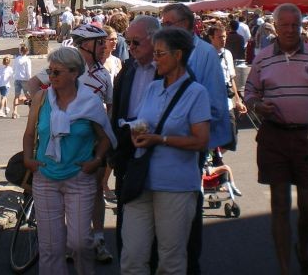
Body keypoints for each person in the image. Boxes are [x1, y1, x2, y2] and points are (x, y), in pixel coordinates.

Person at [245, 3, 308, 274]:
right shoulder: (262, 58)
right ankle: (285, 268)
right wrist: (259, 106)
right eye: (283, 25)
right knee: (280, 205)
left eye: (294, 25)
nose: (289, 30)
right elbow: (249, 94)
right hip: (275, 136)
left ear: (301, 26)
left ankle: (303, 246)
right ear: (275, 26)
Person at [120, 27, 211, 275]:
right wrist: (136, 133)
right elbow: (143, 122)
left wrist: (160, 139)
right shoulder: (153, 88)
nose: (156, 58)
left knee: (170, 261)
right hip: (142, 182)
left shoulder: (196, 93)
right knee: (131, 257)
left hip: (175, 186)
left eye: (160, 53)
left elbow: (201, 141)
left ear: (178, 55)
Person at [22, 46, 116, 275]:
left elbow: (105, 138)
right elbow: (29, 134)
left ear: (74, 73)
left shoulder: (90, 102)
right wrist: (28, 159)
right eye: (50, 71)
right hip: (45, 177)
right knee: (50, 247)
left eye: (57, 72)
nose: (51, 77)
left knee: (79, 243)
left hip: (79, 178)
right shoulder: (41, 99)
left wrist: (96, 160)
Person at [159, 2, 231, 275]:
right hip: (161, 141)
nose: (163, 27)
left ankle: (190, 265)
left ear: (187, 25)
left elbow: (214, 102)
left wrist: (196, 133)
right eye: (162, 23)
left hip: (190, 142)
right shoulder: (163, 51)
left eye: (169, 23)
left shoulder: (203, 54)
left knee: (189, 206)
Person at [110, 15, 161, 257]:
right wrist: (116, 150)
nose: (129, 47)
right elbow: (118, 109)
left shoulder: (167, 70)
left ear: (154, 40)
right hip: (128, 151)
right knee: (126, 213)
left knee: (158, 221)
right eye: (128, 42)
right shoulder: (127, 69)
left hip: (159, 151)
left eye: (135, 42)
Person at [70, 23, 114, 263]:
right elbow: (37, 85)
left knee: (96, 189)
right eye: (100, 42)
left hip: (95, 142)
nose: (105, 47)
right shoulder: (67, 67)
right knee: (68, 189)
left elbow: (111, 107)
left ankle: (98, 239)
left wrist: (106, 137)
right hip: (67, 141)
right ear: (87, 44)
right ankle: (73, 239)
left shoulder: (104, 74)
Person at [207, 24, 247, 151]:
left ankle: (216, 159)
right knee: (211, 137)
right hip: (210, 104)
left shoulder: (228, 54)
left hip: (227, 102)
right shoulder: (204, 55)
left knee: (231, 137)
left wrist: (238, 101)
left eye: (224, 37)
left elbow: (231, 79)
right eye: (219, 37)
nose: (223, 40)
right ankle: (213, 162)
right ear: (211, 38)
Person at [12, 44, 32, 119]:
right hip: (25, 79)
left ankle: (14, 112)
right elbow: (28, 71)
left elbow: (13, 68)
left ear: (20, 51)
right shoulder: (27, 60)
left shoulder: (17, 59)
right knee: (28, 96)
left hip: (17, 78)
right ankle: (30, 111)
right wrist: (29, 79)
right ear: (27, 52)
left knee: (16, 96)